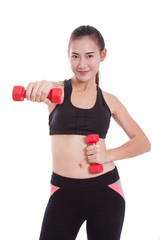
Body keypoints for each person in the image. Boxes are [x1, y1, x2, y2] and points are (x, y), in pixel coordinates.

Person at [26, 25, 151, 240]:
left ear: (102, 55)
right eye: (75, 56)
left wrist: (108, 154)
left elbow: (143, 142)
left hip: (106, 192)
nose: (82, 64)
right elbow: (44, 87)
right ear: (68, 56)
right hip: (63, 192)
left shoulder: (110, 101)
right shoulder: (56, 91)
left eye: (89, 56)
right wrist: (40, 87)